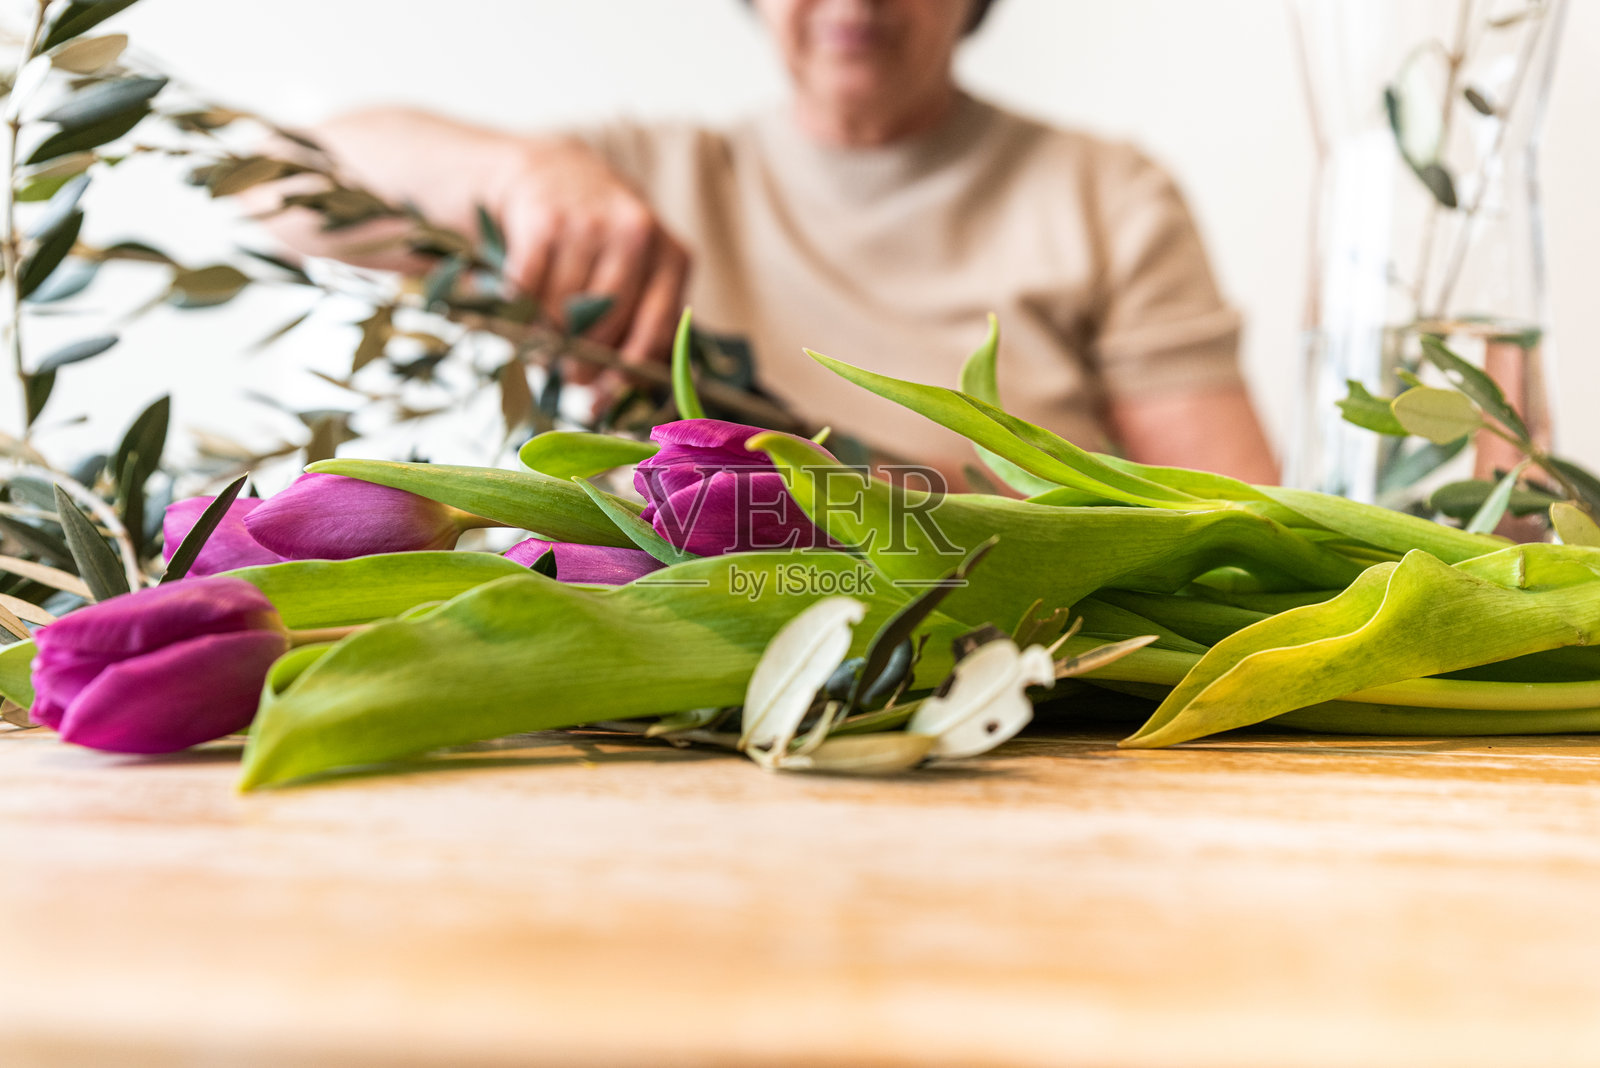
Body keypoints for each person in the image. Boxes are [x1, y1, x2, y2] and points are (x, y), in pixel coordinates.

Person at [264, 0, 1279, 486]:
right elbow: (276, 183)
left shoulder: (1105, 195)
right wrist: (515, 173)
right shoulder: (636, 178)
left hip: (1026, 688)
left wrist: (953, 508)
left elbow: (1237, 526)